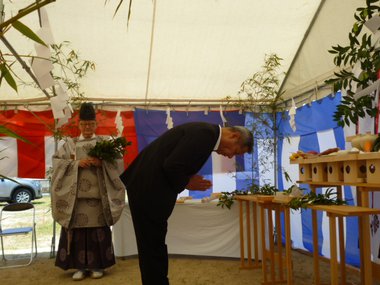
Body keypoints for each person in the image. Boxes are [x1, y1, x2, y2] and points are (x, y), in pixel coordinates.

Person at [119, 122, 253, 285]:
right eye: (236, 151)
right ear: (234, 136)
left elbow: (173, 163)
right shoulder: (205, 135)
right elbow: (172, 166)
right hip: (148, 189)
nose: (231, 156)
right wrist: (188, 182)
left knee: (152, 246)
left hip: (146, 187)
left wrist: (186, 179)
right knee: (152, 248)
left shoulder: (206, 133)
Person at [50, 102, 125, 281]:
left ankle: (98, 266)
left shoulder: (104, 143)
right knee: (77, 232)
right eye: (84, 124)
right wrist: (76, 164)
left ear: (96, 124)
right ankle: (80, 267)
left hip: (98, 197)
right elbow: (57, 162)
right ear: (79, 124)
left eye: (91, 124)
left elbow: (118, 163)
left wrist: (103, 163)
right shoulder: (70, 144)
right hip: (75, 198)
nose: (88, 127)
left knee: (97, 229)